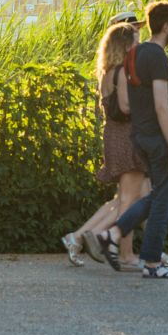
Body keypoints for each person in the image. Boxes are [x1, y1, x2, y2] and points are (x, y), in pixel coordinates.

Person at [98, 0, 168, 279]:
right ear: (166, 25)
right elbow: (162, 105)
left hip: (141, 137)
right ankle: (151, 264)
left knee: (157, 194)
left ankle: (113, 233)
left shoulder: (134, 55)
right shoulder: (158, 57)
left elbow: (131, 102)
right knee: (165, 201)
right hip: (160, 139)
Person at [61, 15, 146, 270]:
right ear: (125, 45)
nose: (138, 44)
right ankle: (105, 244)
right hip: (128, 137)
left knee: (125, 199)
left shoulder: (107, 73)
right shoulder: (122, 73)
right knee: (129, 201)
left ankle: (80, 238)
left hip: (114, 135)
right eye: (135, 40)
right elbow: (126, 107)